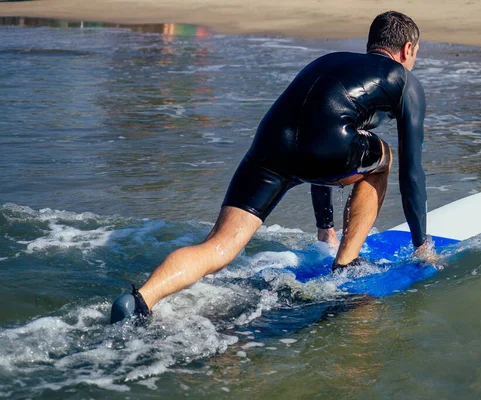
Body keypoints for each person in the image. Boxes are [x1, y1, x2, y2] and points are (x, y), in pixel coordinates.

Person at [110, 10, 437, 323]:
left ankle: (140, 300)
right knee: (384, 157)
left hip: (270, 144)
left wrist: (325, 225)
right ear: (408, 49)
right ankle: (346, 263)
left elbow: (315, 123)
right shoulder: (404, 80)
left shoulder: (328, 62)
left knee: (219, 247)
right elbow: (412, 172)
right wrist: (422, 245)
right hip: (326, 145)